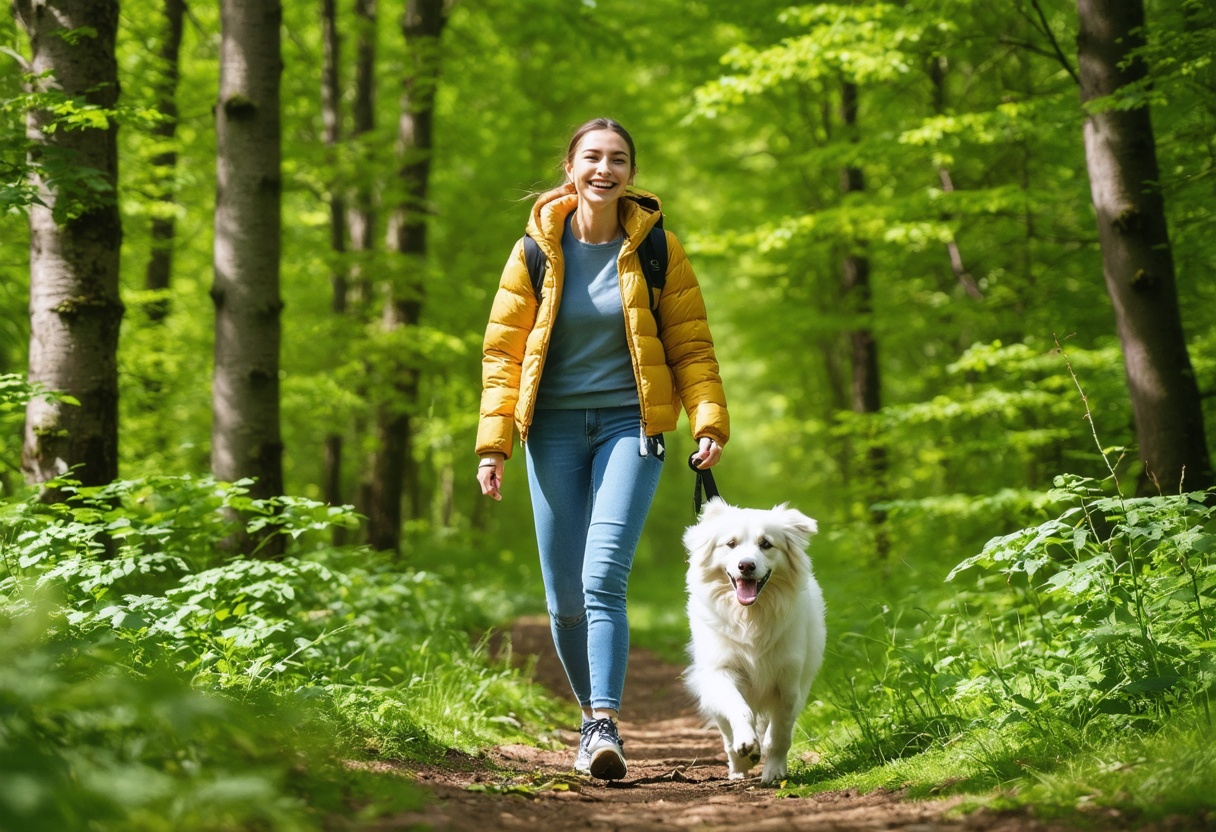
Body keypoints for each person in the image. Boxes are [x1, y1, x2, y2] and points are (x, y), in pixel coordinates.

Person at [475, 117, 728, 780]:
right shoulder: (534, 249)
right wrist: (492, 444)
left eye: (617, 159)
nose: (604, 169)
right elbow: (503, 355)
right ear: (570, 168)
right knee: (562, 597)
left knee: (601, 577)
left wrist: (708, 420)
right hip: (550, 428)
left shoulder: (658, 250)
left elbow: (692, 345)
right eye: (592, 157)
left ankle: (603, 721)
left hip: (630, 426)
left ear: (630, 175)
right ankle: (591, 715)